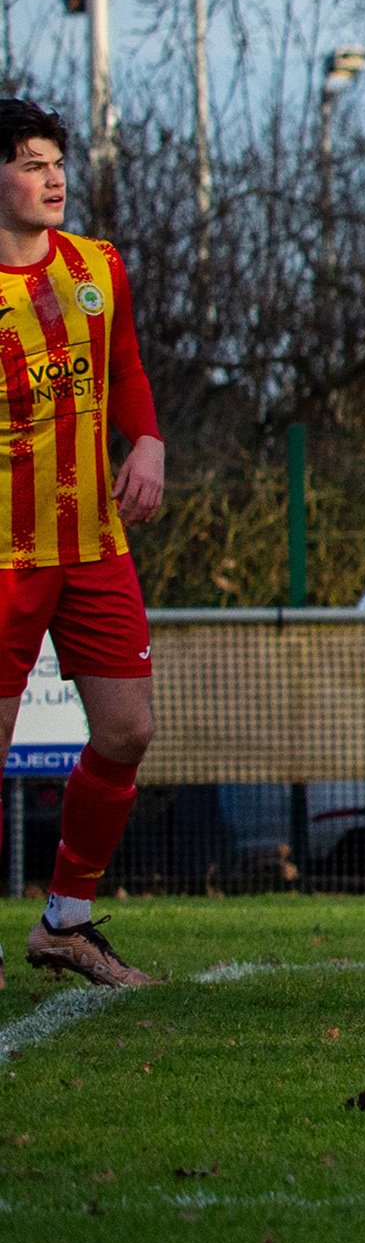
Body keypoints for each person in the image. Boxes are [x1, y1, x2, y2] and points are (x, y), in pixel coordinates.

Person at [0, 101, 166, 990]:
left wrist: (148, 441)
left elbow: (125, 365)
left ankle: (65, 921)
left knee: (128, 730)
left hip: (94, 542)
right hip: (5, 556)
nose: (53, 177)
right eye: (31, 163)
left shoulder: (97, 266)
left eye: (56, 161)